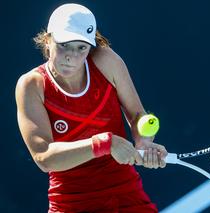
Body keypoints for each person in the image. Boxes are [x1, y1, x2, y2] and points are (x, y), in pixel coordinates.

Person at [15, 3, 167, 213]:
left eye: (81, 47)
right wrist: (105, 143)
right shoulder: (32, 85)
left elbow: (138, 116)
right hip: (71, 203)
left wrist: (144, 143)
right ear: (48, 40)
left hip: (125, 193)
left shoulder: (106, 61)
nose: (72, 56)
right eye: (64, 45)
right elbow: (44, 157)